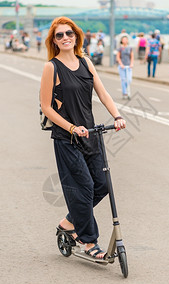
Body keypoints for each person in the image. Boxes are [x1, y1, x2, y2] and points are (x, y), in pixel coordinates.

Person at [40, 16, 126, 259]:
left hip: (90, 134)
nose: (65, 37)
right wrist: (71, 127)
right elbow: (47, 107)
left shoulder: (86, 63)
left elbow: (103, 92)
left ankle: (69, 222)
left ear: (76, 36)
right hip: (67, 138)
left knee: (101, 185)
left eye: (69, 33)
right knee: (84, 188)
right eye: (59, 35)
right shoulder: (52, 67)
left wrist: (117, 115)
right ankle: (88, 241)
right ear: (54, 41)